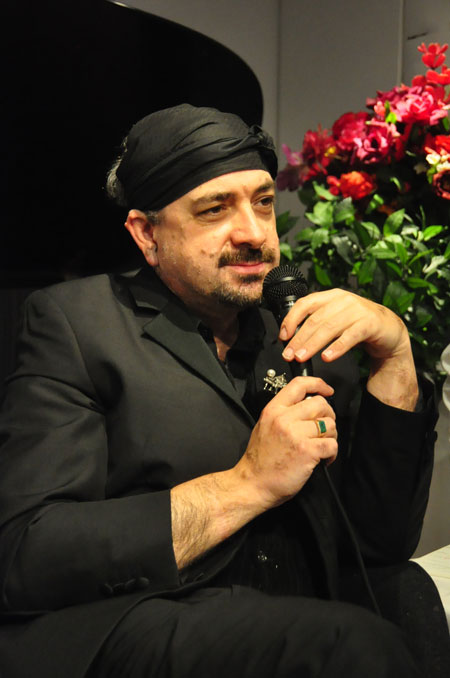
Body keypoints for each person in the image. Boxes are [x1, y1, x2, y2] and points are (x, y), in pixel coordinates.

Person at [0, 104, 445, 678]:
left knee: (408, 598)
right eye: (215, 209)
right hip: (149, 615)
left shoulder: (296, 328)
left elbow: (377, 546)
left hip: (291, 614)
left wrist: (396, 359)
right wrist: (246, 484)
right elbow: (26, 553)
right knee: (342, 641)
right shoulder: (79, 325)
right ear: (147, 233)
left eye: (263, 202)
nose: (255, 233)